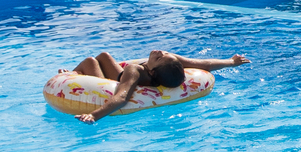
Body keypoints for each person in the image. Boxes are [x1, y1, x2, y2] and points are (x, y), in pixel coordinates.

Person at [69, 50, 249, 124]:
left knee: (92, 60)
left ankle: (72, 74)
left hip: (115, 81)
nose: (160, 52)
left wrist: (94, 115)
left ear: (153, 71)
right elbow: (204, 64)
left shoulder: (134, 70)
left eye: (159, 57)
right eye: (164, 53)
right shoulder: (170, 64)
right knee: (103, 57)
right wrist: (231, 62)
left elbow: (122, 96)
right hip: (122, 76)